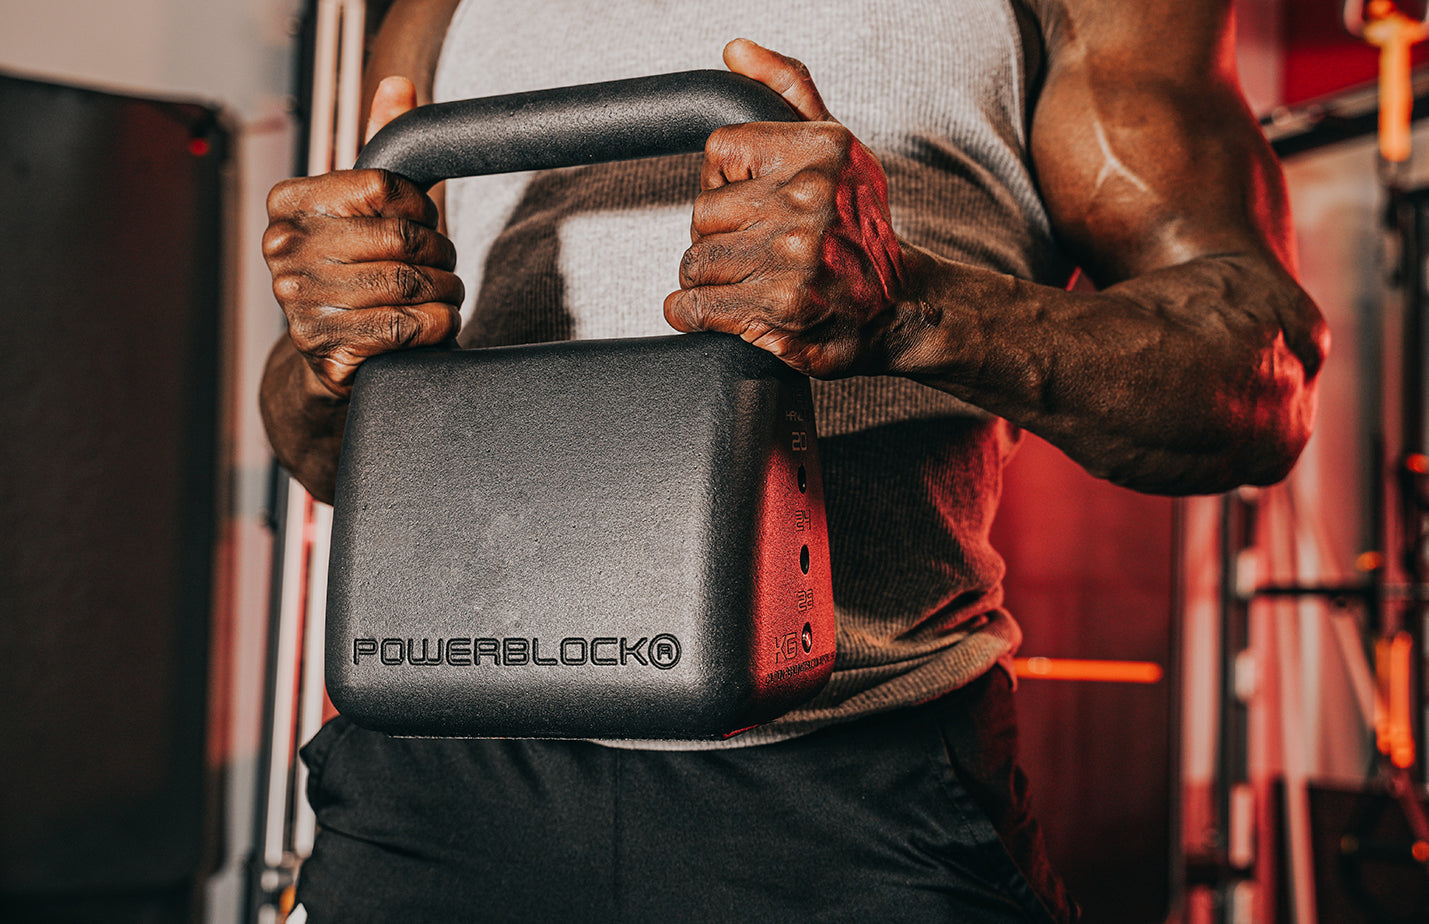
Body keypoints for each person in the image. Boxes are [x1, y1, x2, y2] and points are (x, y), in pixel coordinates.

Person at [260, 0, 1327, 920]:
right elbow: (324, 456)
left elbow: (1260, 372)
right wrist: (333, 354)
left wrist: (914, 307)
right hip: (429, 781)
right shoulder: (434, 11)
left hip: (848, 789)